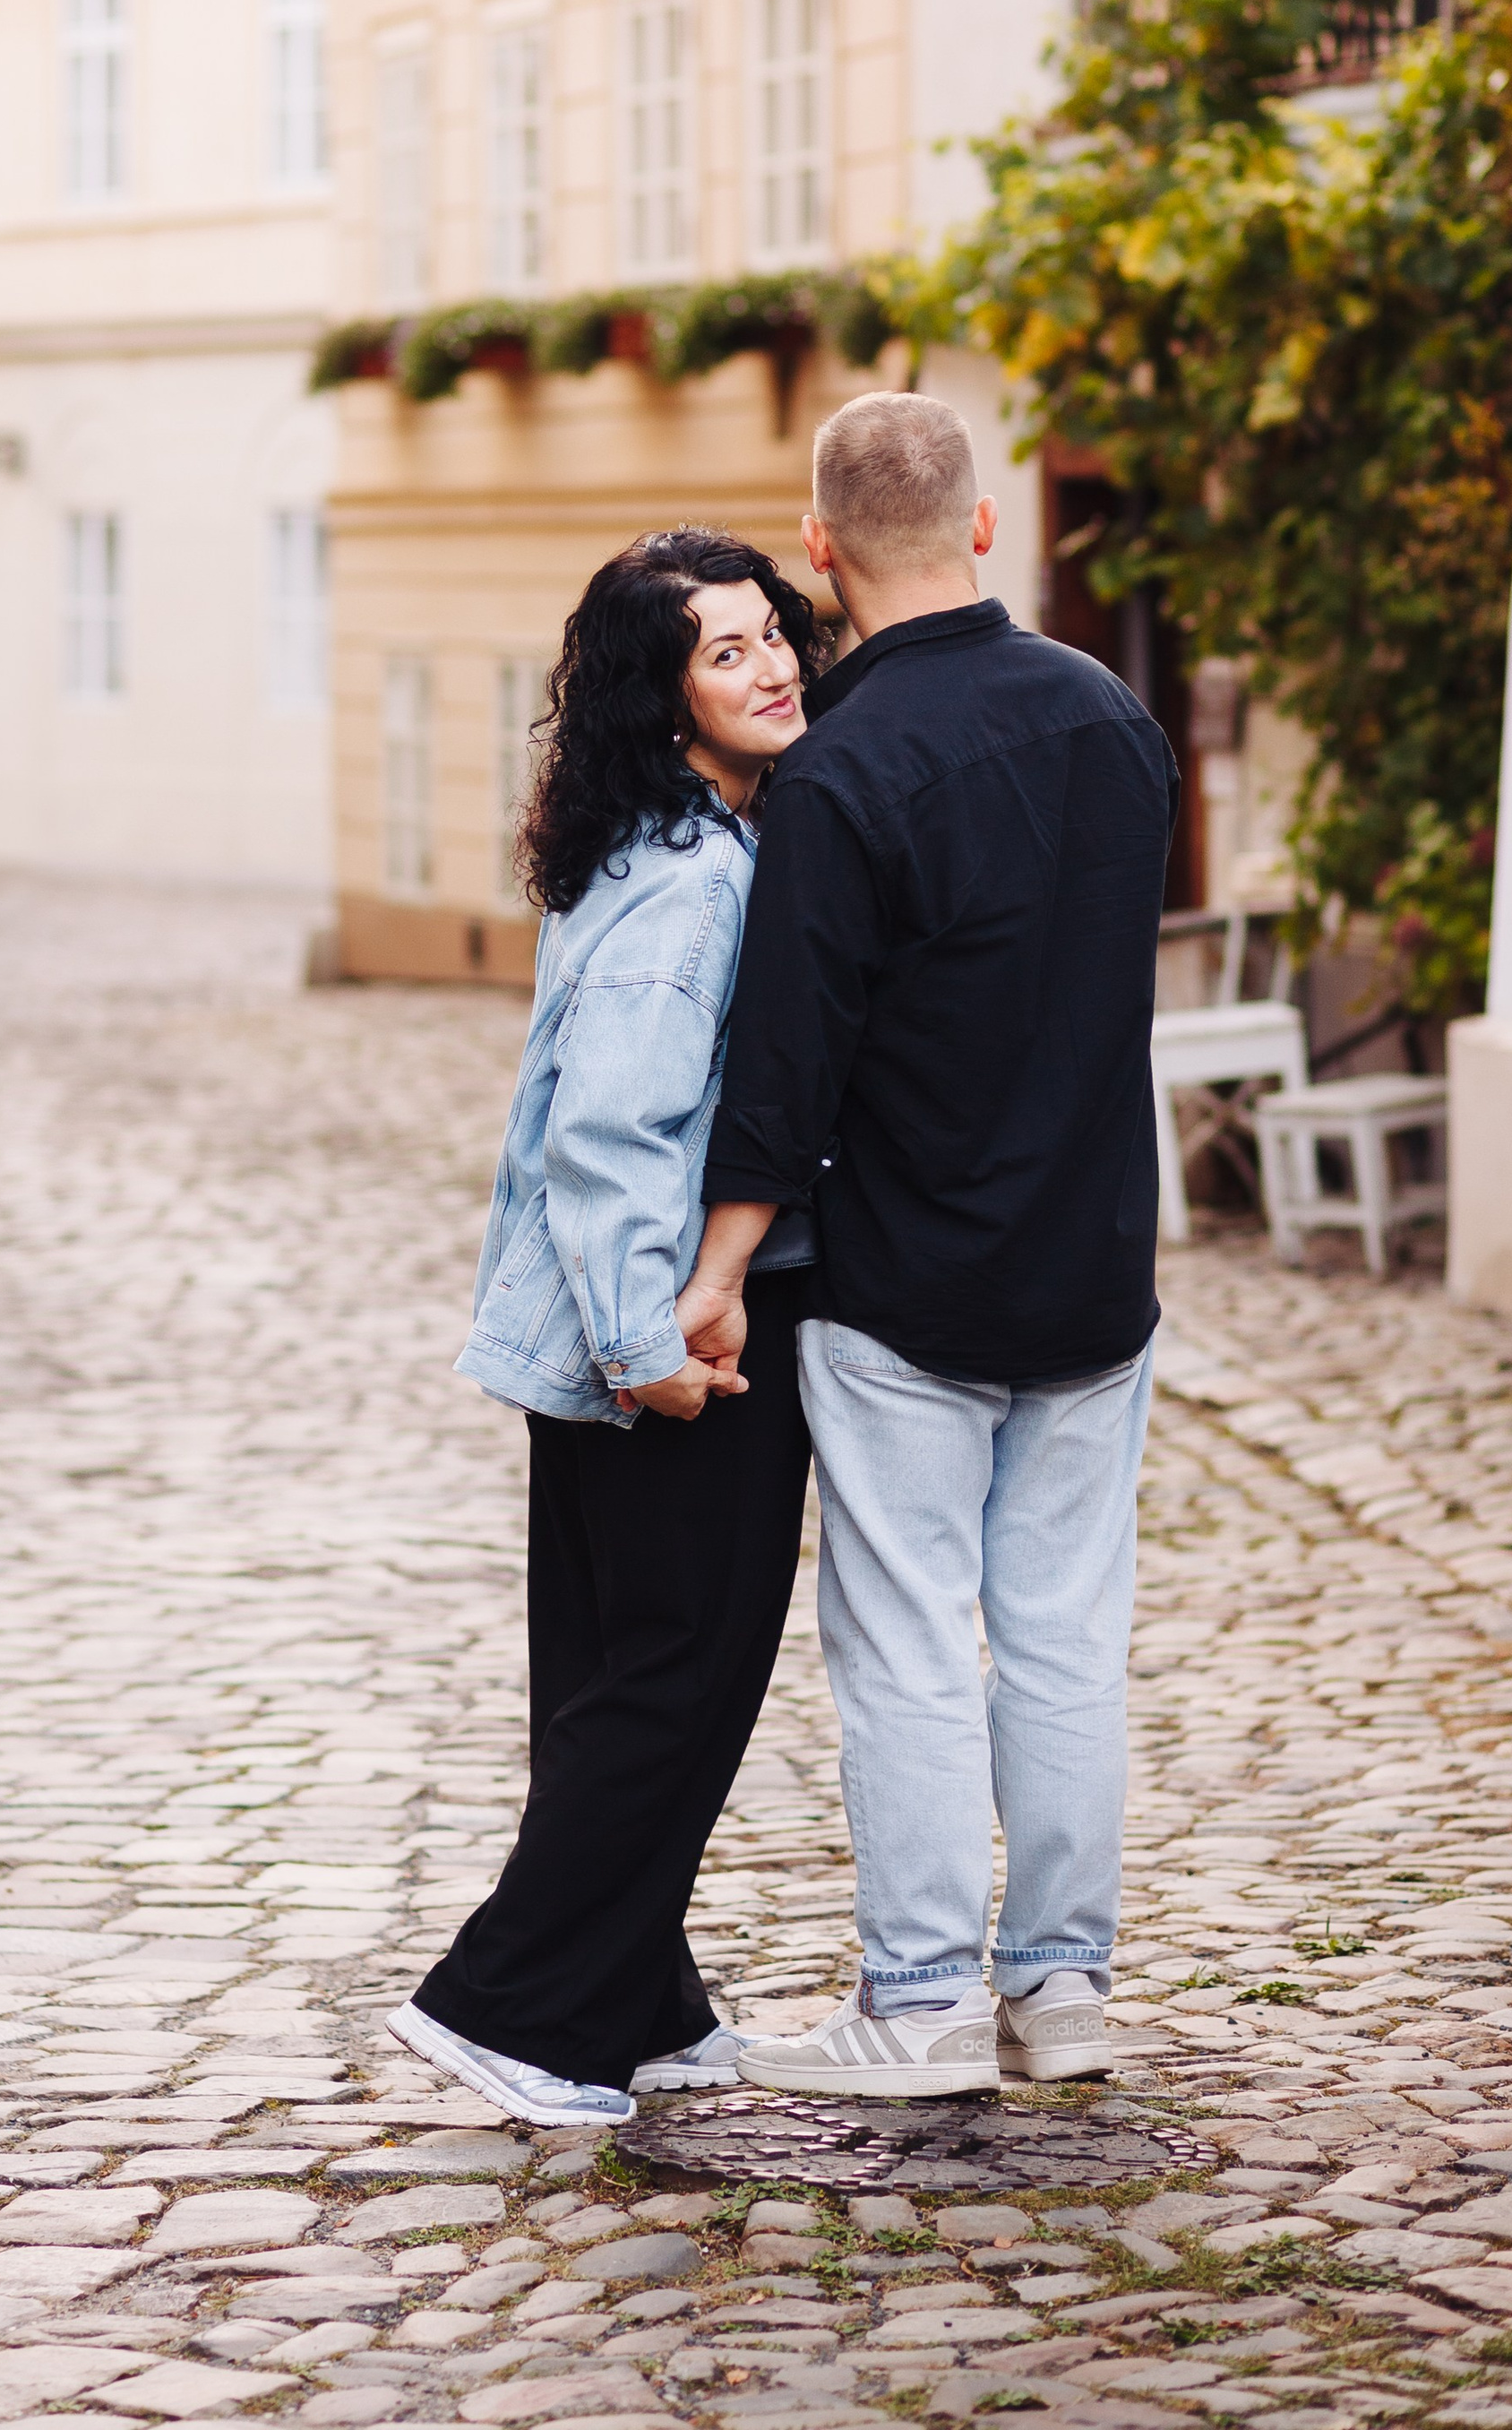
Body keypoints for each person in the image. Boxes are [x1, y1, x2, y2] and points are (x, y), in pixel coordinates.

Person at [674, 392, 1177, 2098]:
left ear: (819, 552)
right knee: (1062, 1632)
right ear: (982, 525)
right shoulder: (1115, 721)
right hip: (1096, 1266)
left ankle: (918, 2005)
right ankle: (1063, 1990)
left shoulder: (836, 775)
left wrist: (720, 1271)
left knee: (904, 1639)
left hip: (909, 1283)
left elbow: (785, 1063)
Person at [386, 526, 821, 2128]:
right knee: (679, 1675)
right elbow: (615, 1134)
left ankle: (637, 1996)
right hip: (665, 1345)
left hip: (600, 1339)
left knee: (608, 1669)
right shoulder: (696, 887)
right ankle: (515, 2009)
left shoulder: (661, 840)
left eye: (774, 631)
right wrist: (655, 1342)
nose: (771, 664)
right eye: (726, 652)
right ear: (666, 696)